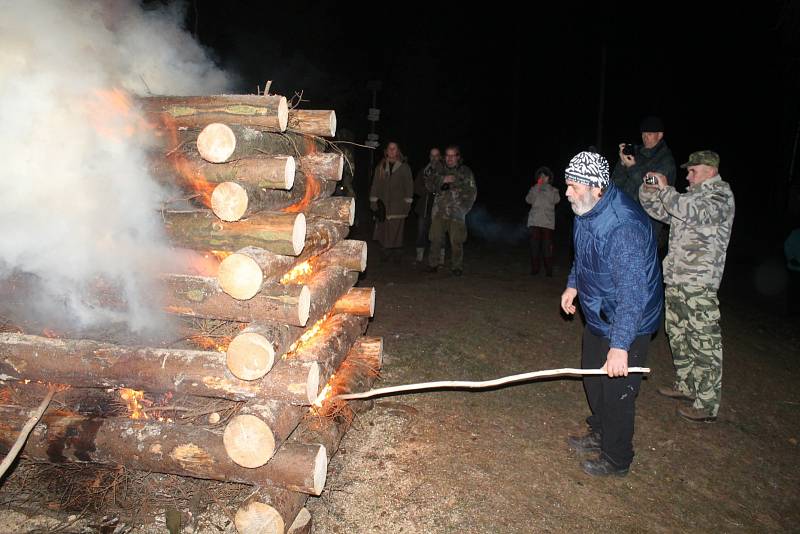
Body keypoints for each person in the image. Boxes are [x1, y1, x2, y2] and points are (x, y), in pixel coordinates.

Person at [560, 151, 663, 477]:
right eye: (567, 184)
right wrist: (573, 285)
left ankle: (617, 458)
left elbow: (633, 295)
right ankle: (600, 432)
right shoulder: (586, 210)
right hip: (599, 310)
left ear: (597, 186)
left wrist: (620, 345)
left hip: (629, 321)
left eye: (573, 186)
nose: (567, 192)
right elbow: (583, 253)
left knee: (617, 391)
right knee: (593, 377)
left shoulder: (624, 228)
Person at [640, 150, 735, 423]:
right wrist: (648, 189)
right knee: (678, 335)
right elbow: (660, 210)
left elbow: (687, 211)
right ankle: (686, 385)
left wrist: (666, 188)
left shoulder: (720, 197)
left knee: (704, 342)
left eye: (692, 171)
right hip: (677, 278)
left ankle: (706, 404)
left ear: (708, 170)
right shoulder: (689, 197)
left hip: (700, 284)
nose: (687, 175)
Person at [611, 115, 677, 244]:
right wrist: (622, 163)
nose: (645, 137)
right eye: (643, 133)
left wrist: (632, 167)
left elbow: (652, 186)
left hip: (646, 221)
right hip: (621, 216)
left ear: (660, 135)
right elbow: (616, 182)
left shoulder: (666, 161)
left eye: (650, 133)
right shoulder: (636, 152)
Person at [425, 145, 477, 276]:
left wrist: (464, 209)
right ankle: (433, 264)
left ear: (458, 157)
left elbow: (472, 192)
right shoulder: (439, 169)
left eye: (452, 155)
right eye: (447, 155)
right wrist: (442, 179)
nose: (449, 158)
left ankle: (456, 267)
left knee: (456, 241)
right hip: (440, 211)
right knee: (435, 238)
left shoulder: (465, 171)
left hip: (457, 213)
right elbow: (429, 185)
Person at [369, 141, 414, 263]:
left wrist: (407, 203)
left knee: (397, 231)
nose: (392, 151)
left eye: (394, 148)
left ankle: (397, 255)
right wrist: (373, 201)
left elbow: (409, 186)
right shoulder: (381, 166)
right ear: (386, 150)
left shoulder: (404, 167)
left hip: (398, 206)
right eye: (390, 148)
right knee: (384, 230)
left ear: (398, 151)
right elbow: (375, 185)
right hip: (383, 206)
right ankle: (385, 253)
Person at [525, 166, 560, 276]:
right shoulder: (534, 188)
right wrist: (537, 187)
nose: (542, 178)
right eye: (541, 176)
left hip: (547, 223)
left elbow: (555, 200)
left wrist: (547, 187)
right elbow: (528, 200)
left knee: (547, 248)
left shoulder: (554, 190)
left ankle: (548, 270)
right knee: (534, 246)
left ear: (549, 178)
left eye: (545, 176)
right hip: (534, 221)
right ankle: (535, 270)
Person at [413, 147, 442, 265]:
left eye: (436, 155)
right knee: (421, 232)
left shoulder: (445, 171)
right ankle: (419, 256)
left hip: (440, 208)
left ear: (440, 157)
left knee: (439, 234)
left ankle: (440, 257)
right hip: (424, 208)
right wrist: (426, 189)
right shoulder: (424, 171)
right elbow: (416, 188)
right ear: (429, 157)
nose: (434, 158)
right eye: (432, 155)